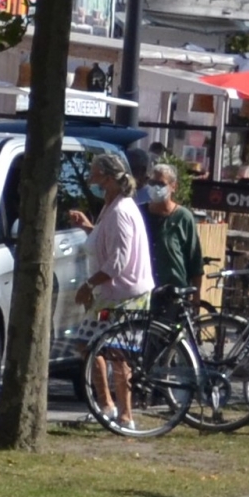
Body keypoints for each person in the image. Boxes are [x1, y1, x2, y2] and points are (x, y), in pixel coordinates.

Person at [76, 153, 156, 426]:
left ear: (108, 179)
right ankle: (107, 405)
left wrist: (89, 285)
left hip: (125, 294)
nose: (90, 179)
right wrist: (88, 227)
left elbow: (118, 261)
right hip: (112, 293)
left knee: (118, 353)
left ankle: (125, 415)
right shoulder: (110, 206)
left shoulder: (122, 210)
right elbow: (105, 243)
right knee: (88, 346)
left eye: (95, 174)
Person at [141, 163, 204, 301]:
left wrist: (196, 297)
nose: (156, 187)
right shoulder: (138, 214)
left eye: (161, 183)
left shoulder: (183, 217)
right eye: (152, 182)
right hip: (143, 293)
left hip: (173, 294)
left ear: (173, 187)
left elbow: (195, 261)